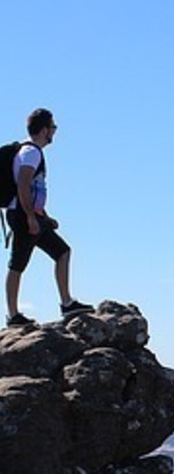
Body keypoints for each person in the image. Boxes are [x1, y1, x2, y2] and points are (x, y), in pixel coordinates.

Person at [5, 108, 93, 326]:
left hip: (30, 214)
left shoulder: (30, 152)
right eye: (53, 127)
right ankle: (14, 315)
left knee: (62, 251)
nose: (54, 132)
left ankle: (67, 303)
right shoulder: (31, 153)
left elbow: (33, 189)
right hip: (22, 215)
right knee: (17, 264)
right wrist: (30, 218)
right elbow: (23, 185)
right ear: (45, 130)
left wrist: (44, 216)